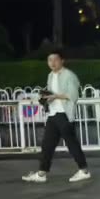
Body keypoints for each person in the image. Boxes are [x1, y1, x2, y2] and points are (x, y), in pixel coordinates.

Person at [22, 51, 91, 183]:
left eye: (55, 59)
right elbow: (51, 93)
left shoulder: (69, 75)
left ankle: (84, 171)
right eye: (50, 60)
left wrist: (55, 96)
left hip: (64, 114)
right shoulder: (50, 75)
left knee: (72, 144)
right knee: (47, 145)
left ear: (62, 61)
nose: (52, 63)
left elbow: (73, 95)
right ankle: (42, 173)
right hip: (53, 114)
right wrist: (47, 98)